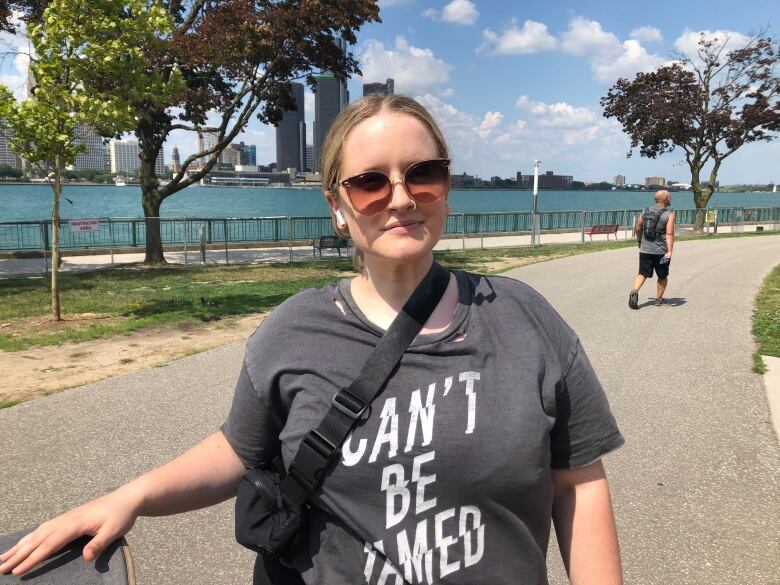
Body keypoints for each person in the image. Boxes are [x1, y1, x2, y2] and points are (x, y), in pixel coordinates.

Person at [1, 94, 624, 585]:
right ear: (337, 205)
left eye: (423, 174)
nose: (401, 198)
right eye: (370, 183)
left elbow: (580, 484)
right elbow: (240, 448)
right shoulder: (295, 329)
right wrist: (129, 496)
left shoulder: (526, 319)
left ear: (447, 185)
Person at [629, 190, 676, 309]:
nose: (671, 199)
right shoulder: (669, 213)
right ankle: (659, 299)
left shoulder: (645, 210)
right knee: (662, 276)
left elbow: (638, 228)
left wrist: (640, 241)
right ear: (664, 199)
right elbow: (669, 233)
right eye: (669, 197)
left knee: (642, 273)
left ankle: (634, 291)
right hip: (661, 252)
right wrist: (670, 251)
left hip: (645, 249)